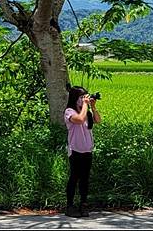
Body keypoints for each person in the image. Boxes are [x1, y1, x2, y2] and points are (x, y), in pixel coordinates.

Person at [64, 85, 102, 217]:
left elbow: (98, 120)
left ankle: (83, 204)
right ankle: (69, 206)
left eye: (84, 97)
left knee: (85, 178)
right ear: (74, 98)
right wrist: (85, 105)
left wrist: (93, 106)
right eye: (81, 97)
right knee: (74, 177)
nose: (83, 99)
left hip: (87, 150)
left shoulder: (87, 112)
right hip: (75, 150)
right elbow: (79, 120)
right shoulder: (70, 112)